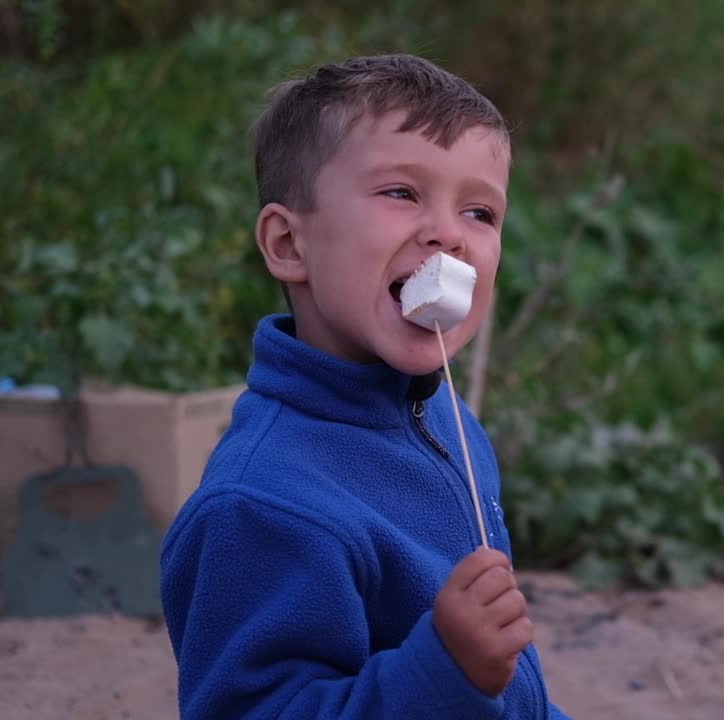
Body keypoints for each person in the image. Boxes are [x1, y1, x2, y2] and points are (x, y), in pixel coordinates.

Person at [159, 53, 572, 719]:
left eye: (480, 213)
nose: (449, 237)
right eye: (401, 193)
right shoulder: (261, 505)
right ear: (290, 244)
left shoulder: (447, 420)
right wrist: (445, 672)